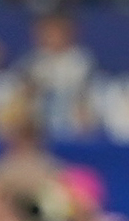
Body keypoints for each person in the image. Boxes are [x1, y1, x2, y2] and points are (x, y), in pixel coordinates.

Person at [17, 11, 96, 141]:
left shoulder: (81, 61)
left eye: (55, 32)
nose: (51, 37)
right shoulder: (32, 61)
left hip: (74, 127)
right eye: (46, 33)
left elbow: (85, 96)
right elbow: (24, 94)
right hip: (38, 127)